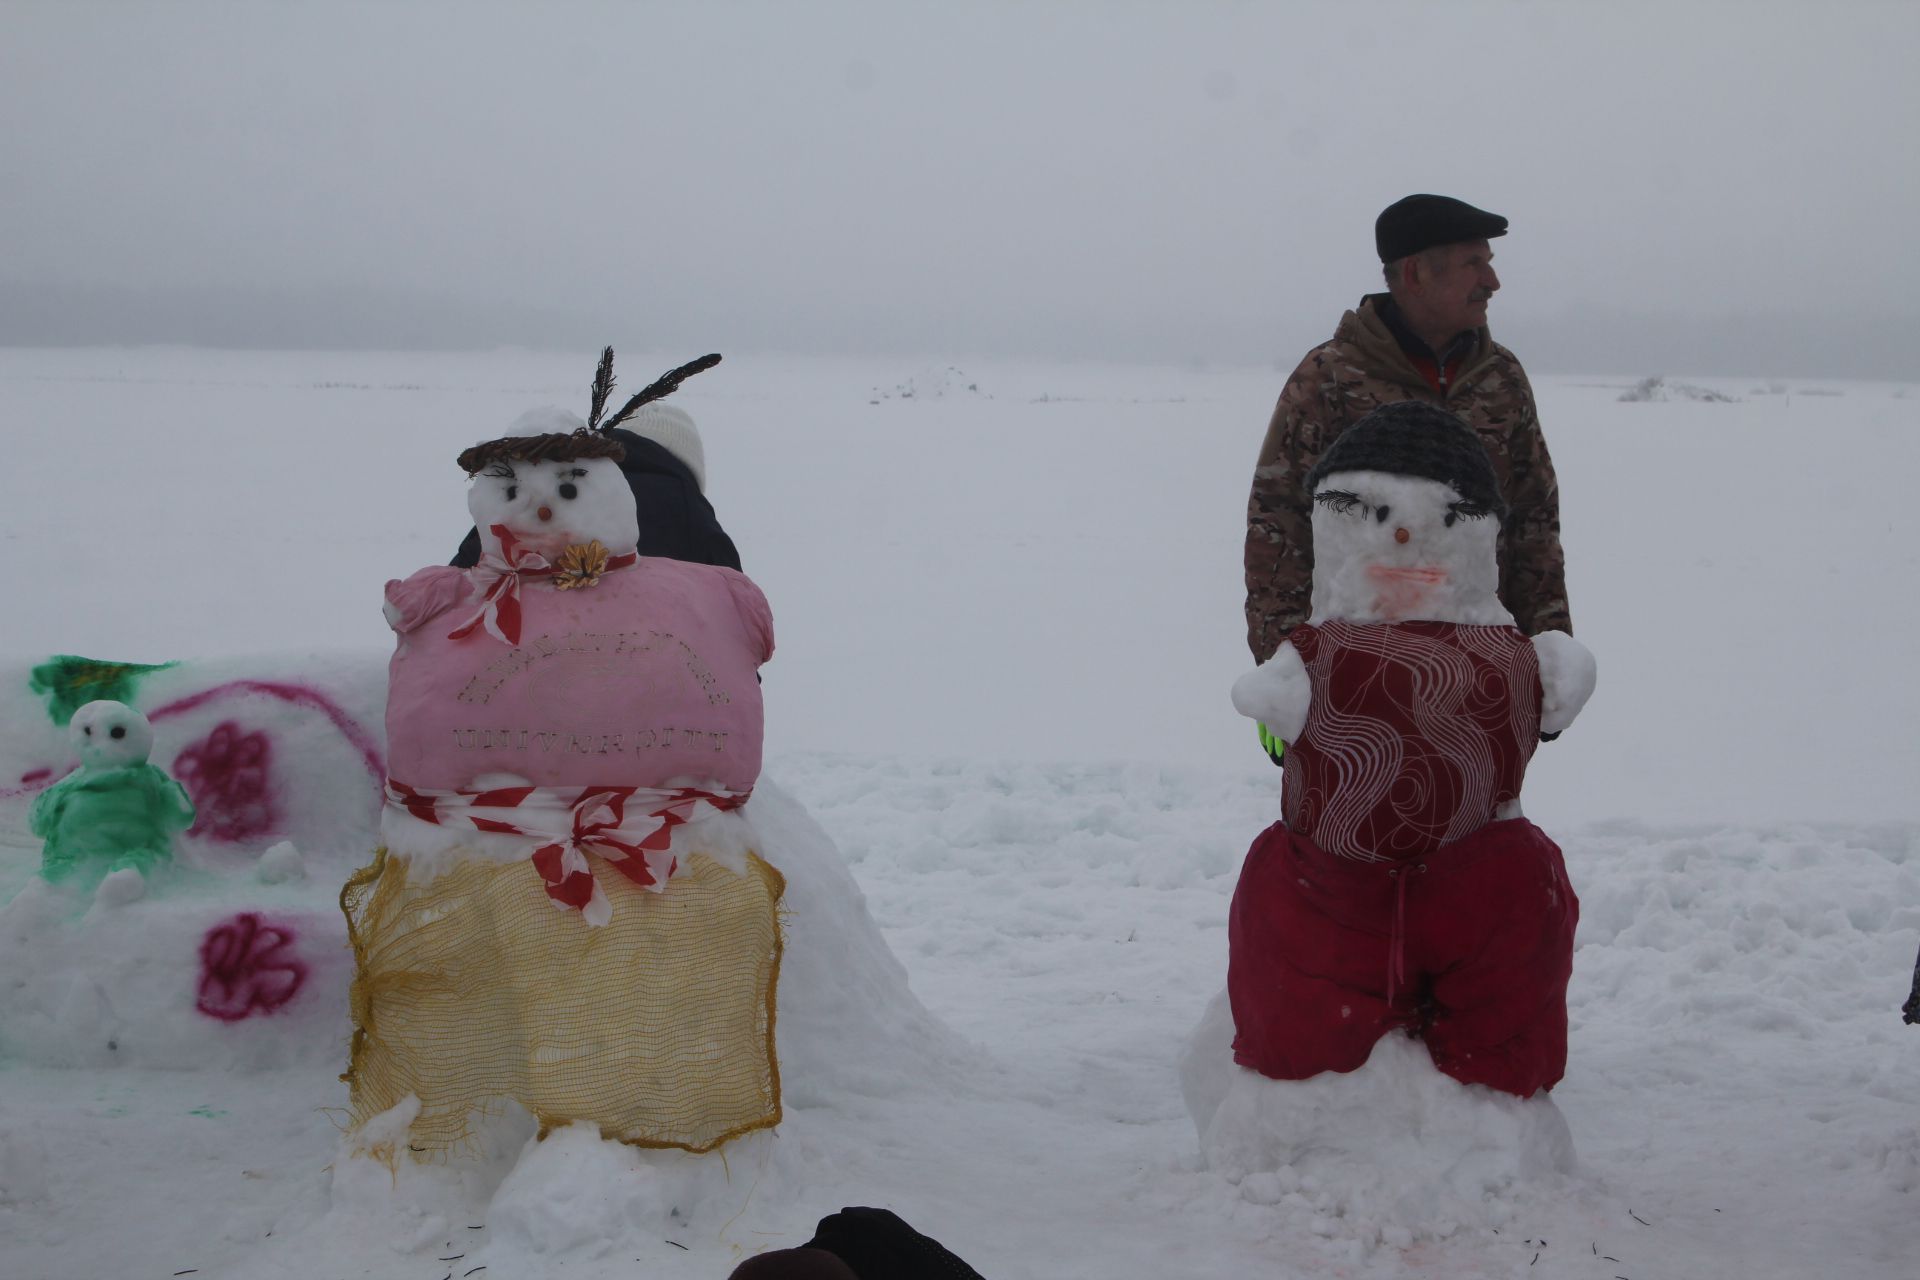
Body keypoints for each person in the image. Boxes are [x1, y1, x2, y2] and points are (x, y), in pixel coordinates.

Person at [1244, 194, 1572, 672]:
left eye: (1489, 262)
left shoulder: (1502, 378)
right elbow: (1278, 525)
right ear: (1416, 274)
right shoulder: (1328, 379)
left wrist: (1548, 656)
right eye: (1473, 263)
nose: (1492, 281)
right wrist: (1287, 670)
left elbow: (1534, 523)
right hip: (1355, 670)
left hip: (1479, 668)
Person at [453, 400, 741, 571]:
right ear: (689, 465)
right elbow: (735, 606)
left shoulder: (534, 485)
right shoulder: (686, 507)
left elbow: (464, 569)